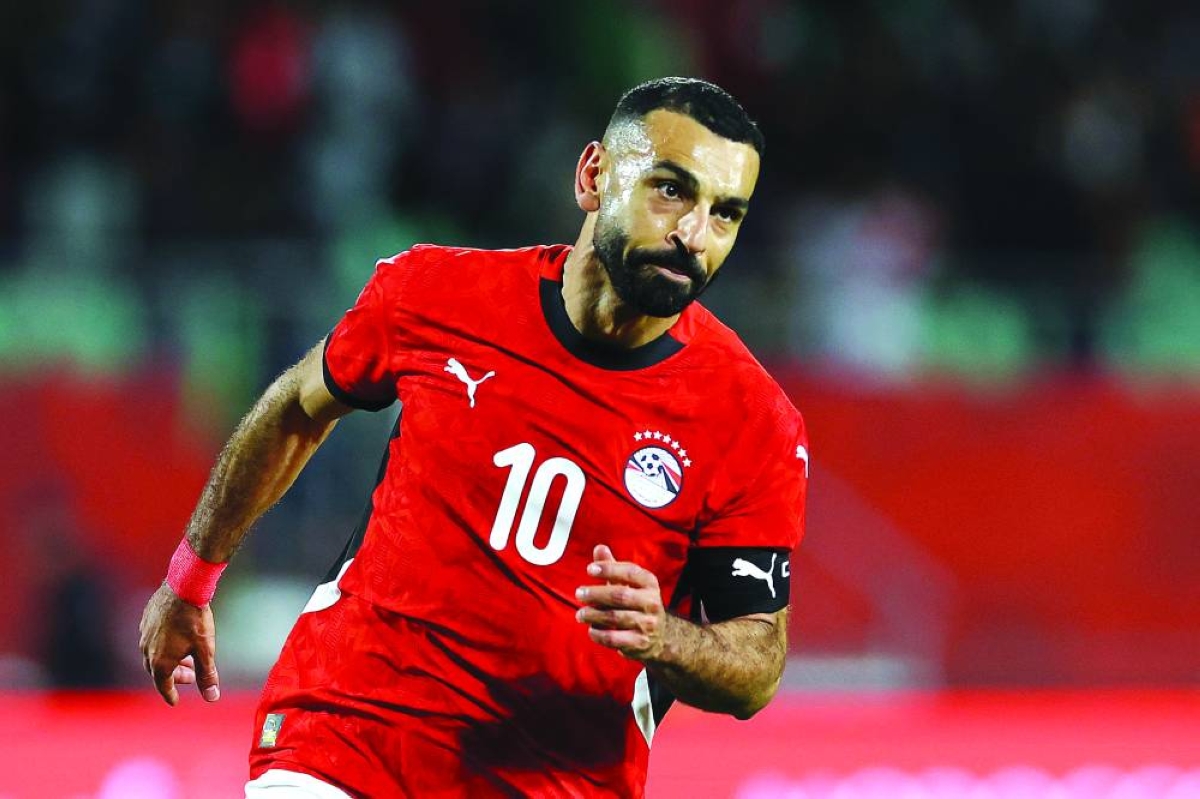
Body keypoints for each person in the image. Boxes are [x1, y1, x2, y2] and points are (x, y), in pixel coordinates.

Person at [139, 76, 809, 798]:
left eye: (726, 213)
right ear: (593, 176)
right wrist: (191, 577)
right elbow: (297, 408)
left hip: (554, 778)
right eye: (671, 190)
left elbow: (757, 662)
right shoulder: (435, 293)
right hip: (346, 735)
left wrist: (666, 636)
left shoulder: (752, 420)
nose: (694, 233)